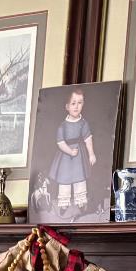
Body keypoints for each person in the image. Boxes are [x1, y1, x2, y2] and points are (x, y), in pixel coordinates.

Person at [46, 88, 97, 218]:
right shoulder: (62, 126)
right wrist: (69, 151)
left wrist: (91, 154)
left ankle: (81, 203)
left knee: (80, 179)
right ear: (67, 107)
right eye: (73, 103)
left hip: (79, 156)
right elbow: (60, 142)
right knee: (65, 180)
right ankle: (64, 204)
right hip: (65, 157)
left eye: (80, 103)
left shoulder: (83, 123)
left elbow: (88, 138)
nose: (76, 106)